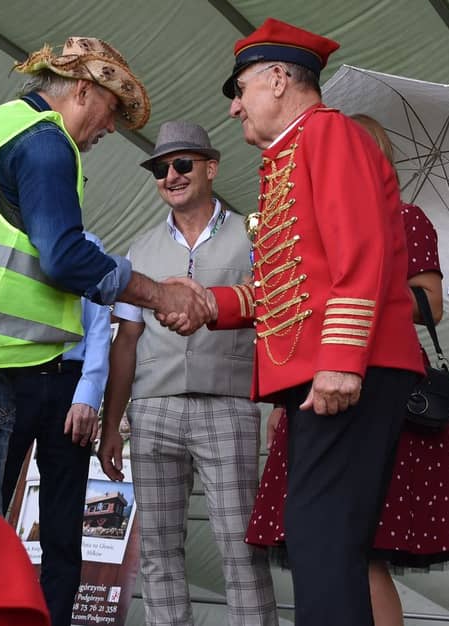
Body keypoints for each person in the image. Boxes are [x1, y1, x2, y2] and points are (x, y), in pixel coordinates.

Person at [161, 19, 426, 626]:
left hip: (349, 370)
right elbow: (294, 286)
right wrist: (211, 304)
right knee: (320, 538)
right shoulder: (294, 151)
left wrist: (340, 362)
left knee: (322, 536)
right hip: (328, 373)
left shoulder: (327, 134)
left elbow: (360, 252)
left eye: (241, 89)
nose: (234, 107)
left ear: (278, 79)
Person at [0, 36, 210, 514]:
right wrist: (159, 295)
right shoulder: (46, 144)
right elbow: (66, 257)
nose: (110, 127)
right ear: (83, 91)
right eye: (112, 109)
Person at [244, 114, 449, 624]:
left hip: (380, 383)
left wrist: (368, 280)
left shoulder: (407, 218)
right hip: (320, 379)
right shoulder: (320, 220)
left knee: (362, 546)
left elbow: (432, 304)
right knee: (323, 542)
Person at [98, 121, 277, 626]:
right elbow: (125, 341)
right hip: (153, 411)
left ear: (211, 168)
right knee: (157, 552)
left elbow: (278, 321)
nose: (170, 176)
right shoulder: (139, 249)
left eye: (181, 164)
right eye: (160, 169)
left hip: (230, 406)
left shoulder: (253, 234)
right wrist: (112, 426)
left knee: (242, 548)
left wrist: (280, 406)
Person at [1, 231, 112, 626]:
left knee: (63, 530)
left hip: (70, 384)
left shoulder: (89, 245)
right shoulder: (3, 238)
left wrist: (89, 395)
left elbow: (99, 326)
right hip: (9, 381)